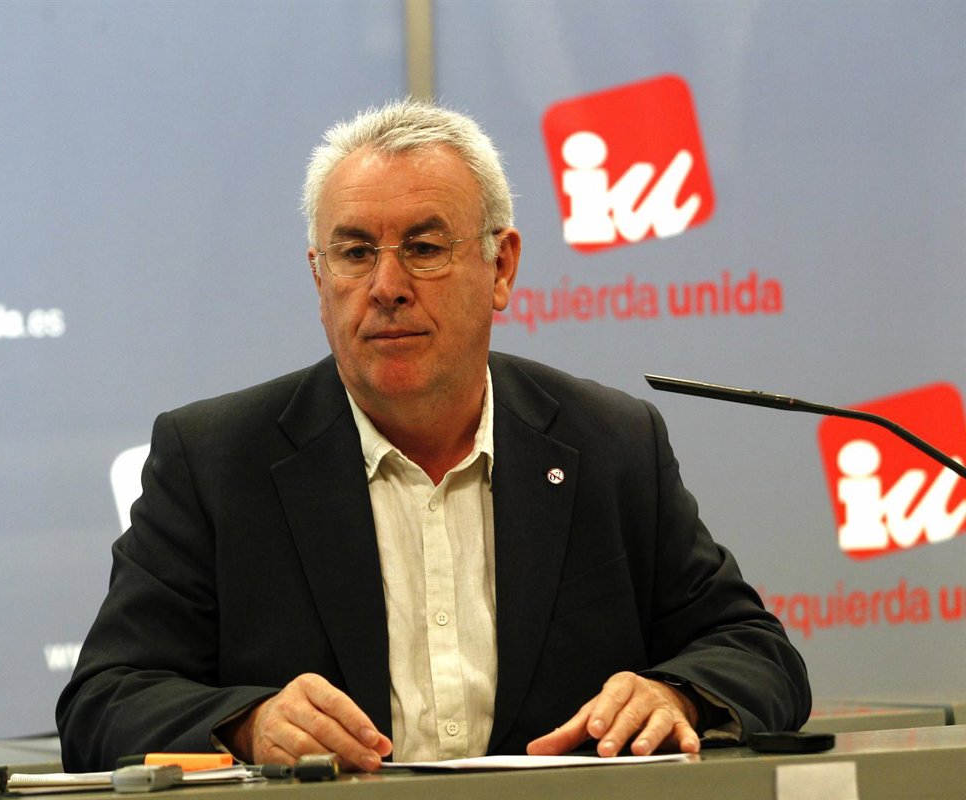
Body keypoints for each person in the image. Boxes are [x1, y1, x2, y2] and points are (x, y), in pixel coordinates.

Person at [56, 99, 810, 772]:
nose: (386, 287)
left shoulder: (610, 445)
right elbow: (104, 701)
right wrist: (247, 724)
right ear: (319, 279)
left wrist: (678, 695)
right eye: (355, 253)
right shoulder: (217, 460)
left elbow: (757, 655)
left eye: (423, 248)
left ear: (501, 266)